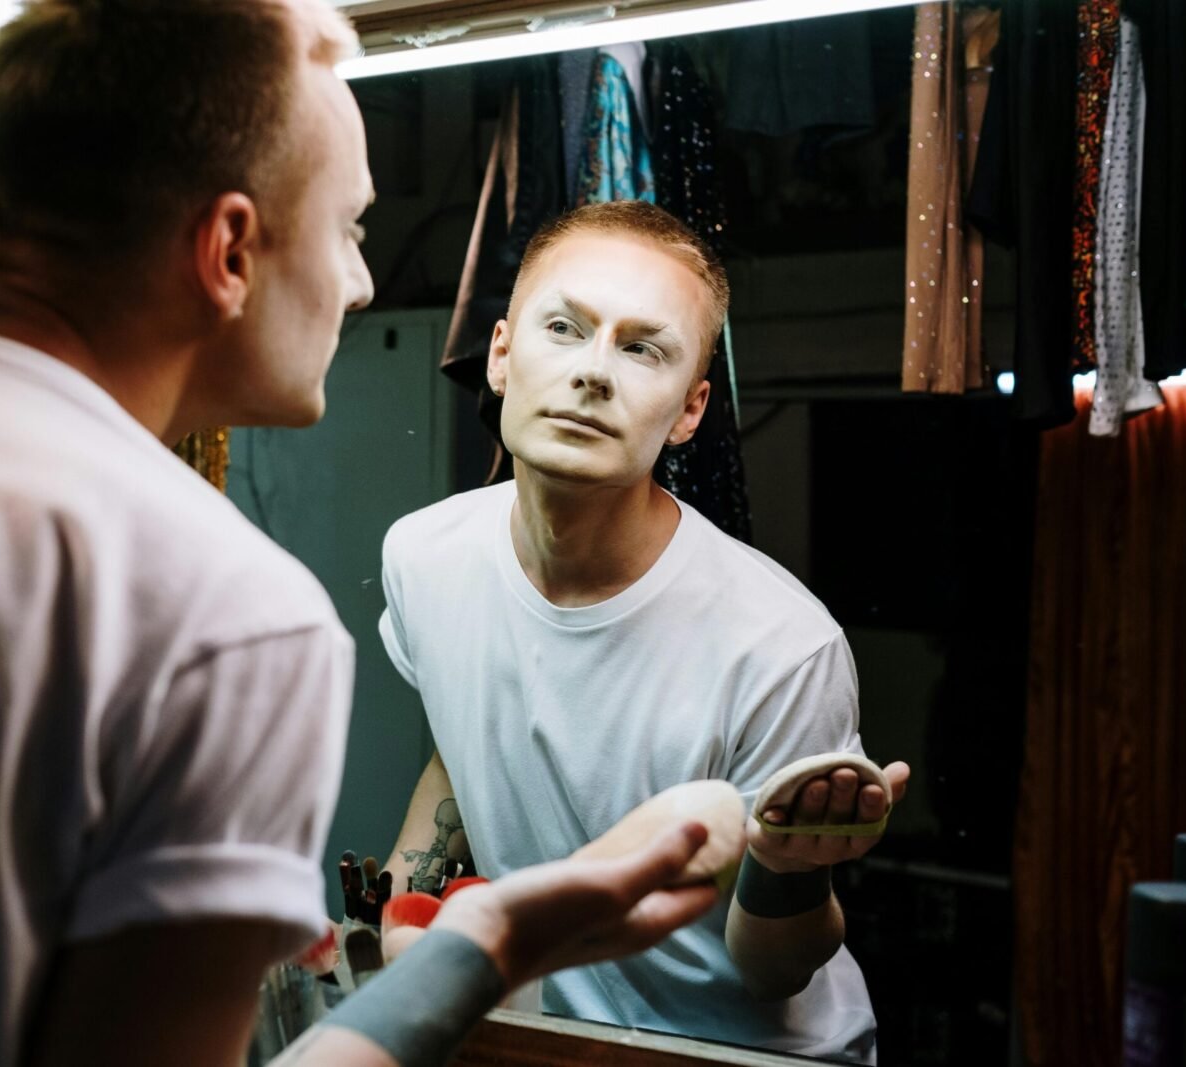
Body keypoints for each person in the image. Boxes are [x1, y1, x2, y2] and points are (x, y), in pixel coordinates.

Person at [0, 3, 738, 1067]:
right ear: (228, 251)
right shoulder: (224, 616)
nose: (358, 285)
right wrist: (489, 942)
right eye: (349, 229)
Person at [380, 200, 913, 1063]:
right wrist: (389, 940)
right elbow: (460, 745)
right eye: (565, 328)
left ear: (691, 409)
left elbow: (774, 972)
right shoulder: (425, 556)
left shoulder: (780, 645)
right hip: (562, 1038)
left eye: (642, 348)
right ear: (504, 357)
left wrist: (787, 867)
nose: (595, 372)